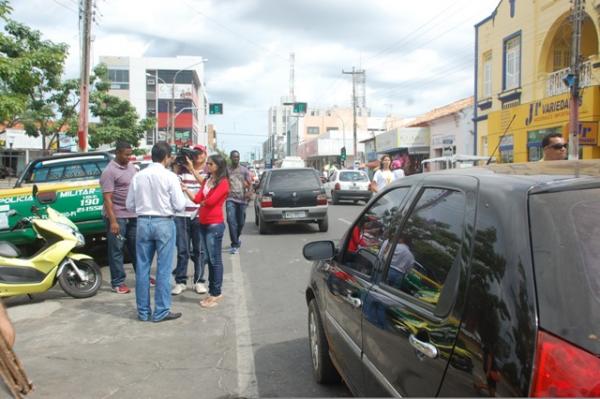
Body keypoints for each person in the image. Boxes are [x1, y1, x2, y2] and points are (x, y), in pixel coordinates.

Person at [126, 141, 186, 322]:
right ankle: (161, 311)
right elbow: (180, 205)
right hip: (164, 222)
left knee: (142, 269)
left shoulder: (138, 176)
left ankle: (143, 312)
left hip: (143, 222)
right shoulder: (170, 177)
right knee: (164, 269)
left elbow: (129, 205)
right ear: (166, 157)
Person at [182, 154, 230, 308]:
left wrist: (203, 201)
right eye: (207, 163)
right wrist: (186, 189)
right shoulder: (209, 181)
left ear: (218, 166)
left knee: (215, 260)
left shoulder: (223, 183)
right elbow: (197, 200)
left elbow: (209, 202)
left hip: (213, 225)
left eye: (210, 164)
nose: (207, 166)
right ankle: (213, 292)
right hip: (203, 223)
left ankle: (216, 292)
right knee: (209, 259)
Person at [99, 140, 145, 294]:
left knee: (136, 248)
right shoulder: (109, 171)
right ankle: (118, 282)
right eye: (126, 155)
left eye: (130, 154)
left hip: (132, 215)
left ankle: (143, 276)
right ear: (117, 153)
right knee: (117, 249)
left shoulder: (130, 167)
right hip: (117, 216)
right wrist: (113, 221)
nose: (129, 157)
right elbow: (107, 199)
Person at [172, 145, 209, 296]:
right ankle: (180, 281)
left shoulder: (208, 172)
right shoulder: (181, 172)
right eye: (195, 153)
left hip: (199, 216)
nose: (197, 156)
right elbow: (174, 186)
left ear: (205, 154)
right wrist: (176, 166)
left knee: (199, 250)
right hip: (181, 216)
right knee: (182, 250)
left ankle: (199, 281)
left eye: (200, 153)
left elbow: (206, 187)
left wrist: (193, 169)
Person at [226, 150, 252, 254]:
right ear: (230, 158)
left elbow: (250, 185)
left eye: (237, 157)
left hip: (242, 200)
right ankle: (235, 244)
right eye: (234, 157)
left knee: (240, 223)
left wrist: (249, 193)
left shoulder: (244, 170)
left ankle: (236, 238)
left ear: (239, 158)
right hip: (230, 199)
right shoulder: (227, 170)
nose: (235, 159)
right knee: (231, 221)